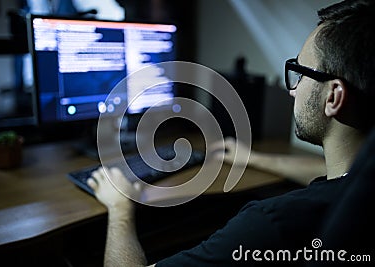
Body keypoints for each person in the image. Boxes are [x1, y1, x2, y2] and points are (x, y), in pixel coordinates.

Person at [87, 0, 375, 266]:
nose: (292, 89)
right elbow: (335, 173)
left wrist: (120, 208)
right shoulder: (361, 182)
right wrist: (254, 158)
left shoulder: (270, 223)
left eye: (300, 73)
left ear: (333, 97)